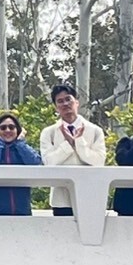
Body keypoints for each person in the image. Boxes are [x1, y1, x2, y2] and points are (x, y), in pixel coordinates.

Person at [39, 84, 106, 215]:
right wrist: (68, 144)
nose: (65, 104)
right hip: (61, 198)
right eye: (60, 101)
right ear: (55, 107)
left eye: (68, 99)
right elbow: (49, 162)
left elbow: (98, 161)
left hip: (89, 195)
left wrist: (78, 142)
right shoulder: (49, 132)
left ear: (76, 102)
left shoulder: (95, 130)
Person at [0, 112, 41, 215]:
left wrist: (20, 143)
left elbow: (36, 162)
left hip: (23, 211)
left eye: (11, 127)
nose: (7, 130)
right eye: (3, 128)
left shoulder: (23, 150)